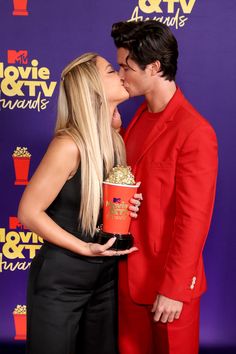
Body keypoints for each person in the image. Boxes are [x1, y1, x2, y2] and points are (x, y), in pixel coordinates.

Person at [18, 52, 142, 354]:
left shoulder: (114, 139)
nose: (122, 73)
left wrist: (127, 205)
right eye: (112, 71)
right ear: (93, 89)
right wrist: (84, 248)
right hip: (61, 283)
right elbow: (28, 212)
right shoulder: (68, 146)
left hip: (105, 279)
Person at [111, 20, 218, 354]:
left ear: (154, 67)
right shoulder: (136, 118)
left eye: (125, 67)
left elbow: (194, 219)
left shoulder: (194, 131)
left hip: (169, 288)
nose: (120, 75)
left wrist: (174, 288)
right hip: (129, 280)